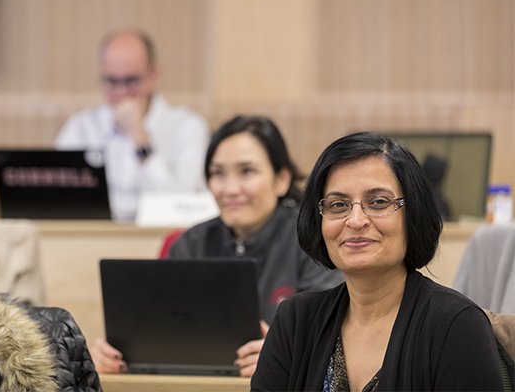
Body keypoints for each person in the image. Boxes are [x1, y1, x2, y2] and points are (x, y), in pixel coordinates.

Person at [90, 116, 344, 377]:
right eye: (217, 173)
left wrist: (284, 355)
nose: (230, 189)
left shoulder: (314, 242)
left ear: (281, 179)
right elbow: (161, 341)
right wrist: (122, 356)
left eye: (247, 171)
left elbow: (333, 344)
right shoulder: (190, 244)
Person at [251, 131, 504, 391]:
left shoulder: (457, 325)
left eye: (379, 202)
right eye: (338, 205)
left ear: (412, 214)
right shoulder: (295, 321)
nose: (356, 220)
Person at [55, 29, 210, 221]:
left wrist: (139, 136)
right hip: (95, 236)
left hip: (158, 238)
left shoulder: (187, 127)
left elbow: (180, 206)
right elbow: (59, 201)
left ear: (153, 75)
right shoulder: (80, 127)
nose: (121, 93)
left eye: (131, 81)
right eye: (111, 81)